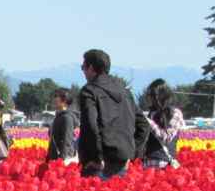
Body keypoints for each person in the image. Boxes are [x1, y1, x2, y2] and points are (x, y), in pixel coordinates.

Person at [77, 49, 136, 179]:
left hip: (100, 163)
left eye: (83, 67)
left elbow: (90, 126)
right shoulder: (125, 92)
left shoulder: (89, 91)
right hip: (122, 161)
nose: (83, 72)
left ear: (91, 68)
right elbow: (143, 124)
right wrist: (132, 155)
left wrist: (96, 158)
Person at [139, 78, 184, 169]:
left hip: (164, 163)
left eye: (153, 95)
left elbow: (166, 137)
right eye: (150, 95)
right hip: (147, 163)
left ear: (162, 96)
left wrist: (149, 122)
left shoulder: (175, 113)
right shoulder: (152, 113)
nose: (151, 99)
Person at [46, 89, 78, 163]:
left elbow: (67, 140)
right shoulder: (58, 117)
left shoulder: (67, 118)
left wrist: (61, 160)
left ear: (64, 100)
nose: (54, 99)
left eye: (56, 96)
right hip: (55, 157)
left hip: (63, 158)